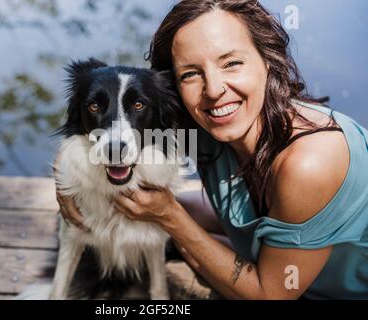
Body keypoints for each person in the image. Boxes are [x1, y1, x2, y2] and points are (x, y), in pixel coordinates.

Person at [56, 0, 368, 299]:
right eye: (190, 73)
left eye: (232, 63)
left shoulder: (310, 162)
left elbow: (270, 295)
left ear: (269, 61)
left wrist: (171, 217)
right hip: (274, 260)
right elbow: (102, 121)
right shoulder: (205, 119)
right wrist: (69, 177)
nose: (215, 90)